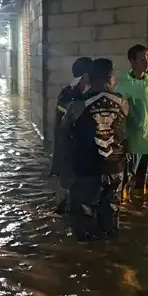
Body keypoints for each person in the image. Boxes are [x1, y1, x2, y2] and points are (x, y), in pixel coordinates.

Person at [61, 58, 128, 240]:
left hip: (87, 168)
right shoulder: (122, 102)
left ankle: (87, 261)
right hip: (115, 168)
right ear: (111, 77)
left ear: (89, 78)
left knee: (83, 217)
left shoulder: (78, 104)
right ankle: (109, 256)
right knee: (111, 215)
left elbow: (64, 128)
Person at [115, 44, 148, 207]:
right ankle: (124, 206)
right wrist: (124, 140)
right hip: (132, 141)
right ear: (132, 62)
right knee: (128, 175)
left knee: (143, 175)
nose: (147, 61)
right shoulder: (124, 85)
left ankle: (139, 204)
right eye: (142, 58)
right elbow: (119, 116)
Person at [50, 56, 93, 213]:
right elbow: (65, 125)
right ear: (84, 75)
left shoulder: (83, 92)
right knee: (67, 187)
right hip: (68, 149)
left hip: (78, 151)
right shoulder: (68, 95)